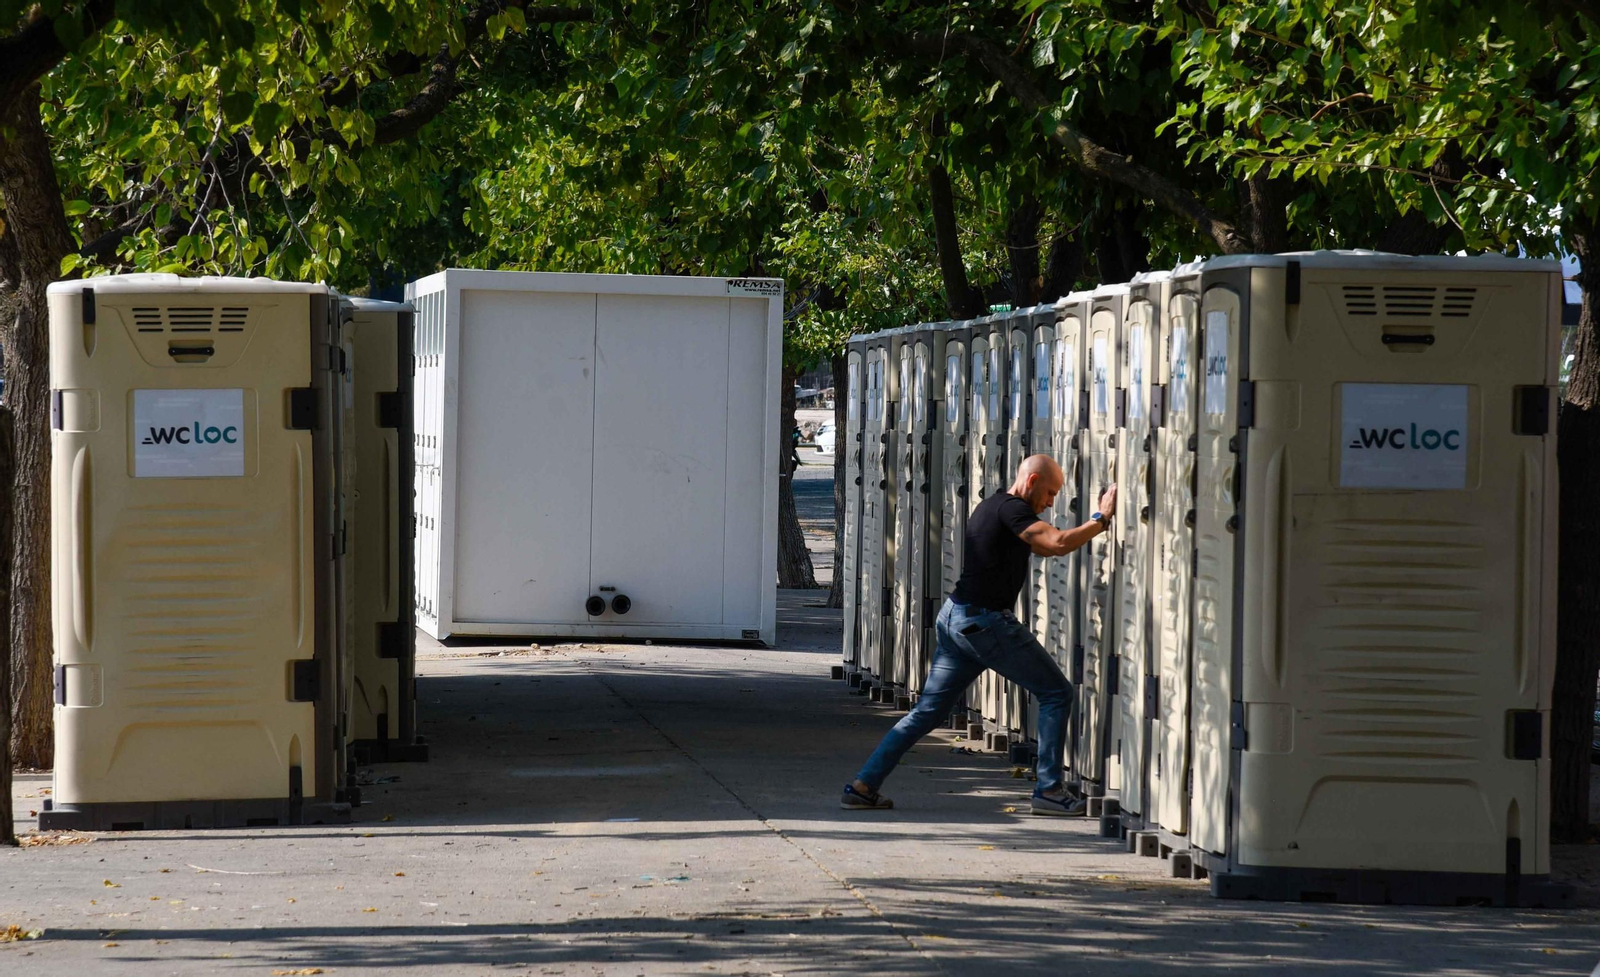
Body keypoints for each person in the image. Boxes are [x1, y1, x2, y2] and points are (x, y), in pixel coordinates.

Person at [841, 455, 1117, 816]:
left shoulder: (992, 506)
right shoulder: (1014, 510)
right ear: (1032, 481)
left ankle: (863, 786)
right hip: (984, 623)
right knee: (1056, 693)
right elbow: (1057, 543)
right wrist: (1101, 519)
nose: (1051, 503)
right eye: (1050, 493)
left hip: (957, 618)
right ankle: (1049, 790)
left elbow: (1040, 545)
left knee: (926, 713)